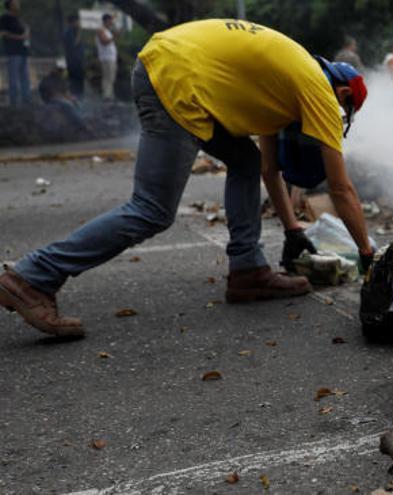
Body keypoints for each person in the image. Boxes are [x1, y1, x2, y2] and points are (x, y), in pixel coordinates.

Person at [0, 19, 372, 337]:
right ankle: (32, 277)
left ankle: (248, 270)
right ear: (341, 93)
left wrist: (293, 231)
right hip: (175, 76)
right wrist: (368, 257)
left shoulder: (292, 80)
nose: (336, 116)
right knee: (152, 209)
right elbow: (341, 188)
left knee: (243, 160)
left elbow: (265, 169)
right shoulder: (319, 90)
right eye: (343, 109)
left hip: (172, 60)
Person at [0, 0, 31, 106]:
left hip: (23, 51)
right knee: (13, 79)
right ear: (10, 5)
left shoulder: (18, 18)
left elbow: (26, 29)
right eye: (15, 2)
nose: (18, 4)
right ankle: (14, 103)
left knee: (25, 78)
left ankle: (26, 101)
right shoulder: (5, 18)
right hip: (13, 52)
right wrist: (20, 37)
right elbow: (3, 33)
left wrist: (27, 32)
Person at [95, 13, 118, 100]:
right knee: (107, 77)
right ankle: (107, 96)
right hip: (106, 57)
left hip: (111, 57)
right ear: (106, 20)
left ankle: (110, 95)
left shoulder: (107, 31)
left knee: (111, 78)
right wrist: (114, 37)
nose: (111, 22)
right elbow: (104, 42)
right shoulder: (100, 30)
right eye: (110, 20)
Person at [62, 14, 85, 98]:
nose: (79, 23)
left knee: (79, 80)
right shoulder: (69, 31)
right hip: (73, 61)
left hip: (77, 60)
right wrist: (79, 33)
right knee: (75, 80)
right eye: (78, 21)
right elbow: (73, 44)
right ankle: (76, 96)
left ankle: (78, 96)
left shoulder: (72, 30)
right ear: (74, 22)